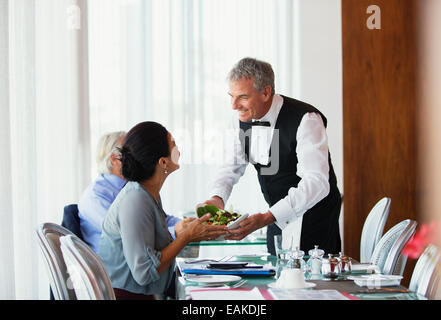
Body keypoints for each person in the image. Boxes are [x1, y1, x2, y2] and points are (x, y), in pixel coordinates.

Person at [203, 57, 342, 255]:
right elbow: (229, 168)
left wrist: (268, 216)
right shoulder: (239, 122)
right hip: (276, 217)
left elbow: (317, 181)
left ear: (266, 92)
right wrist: (217, 198)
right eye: (230, 96)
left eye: (242, 97)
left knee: (312, 283)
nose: (234, 105)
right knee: (276, 278)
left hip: (314, 219)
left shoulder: (306, 119)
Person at [98, 121, 228, 300]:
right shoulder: (135, 200)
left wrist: (184, 231)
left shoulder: (147, 193)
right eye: (173, 144)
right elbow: (144, 273)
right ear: (163, 161)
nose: (178, 149)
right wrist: (187, 236)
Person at [78, 131, 183, 253]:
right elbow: (125, 234)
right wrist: (175, 232)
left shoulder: (137, 186)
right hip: (114, 268)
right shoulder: (95, 196)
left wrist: (188, 225)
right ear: (114, 159)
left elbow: (161, 220)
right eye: (130, 153)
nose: (139, 156)